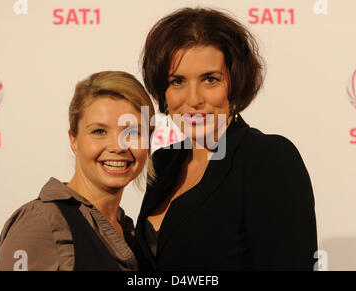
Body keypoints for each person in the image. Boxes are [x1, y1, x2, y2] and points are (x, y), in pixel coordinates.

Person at [135, 8, 318, 271]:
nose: (194, 99)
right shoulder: (164, 161)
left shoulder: (268, 158)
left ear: (236, 82)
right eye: (177, 81)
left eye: (210, 79)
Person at [0, 71, 155, 270]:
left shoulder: (133, 233)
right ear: (74, 140)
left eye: (132, 132)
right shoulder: (42, 222)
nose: (118, 146)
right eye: (99, 131)